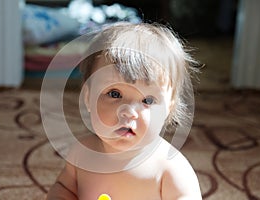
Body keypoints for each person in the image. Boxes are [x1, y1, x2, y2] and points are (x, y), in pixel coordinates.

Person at [46, 22, 202, 200]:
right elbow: (64, 188)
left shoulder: (170, 168)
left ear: (170, 107)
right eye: (114, 94)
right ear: (88, 97)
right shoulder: (81, 153)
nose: (128, 112)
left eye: (147, 100)